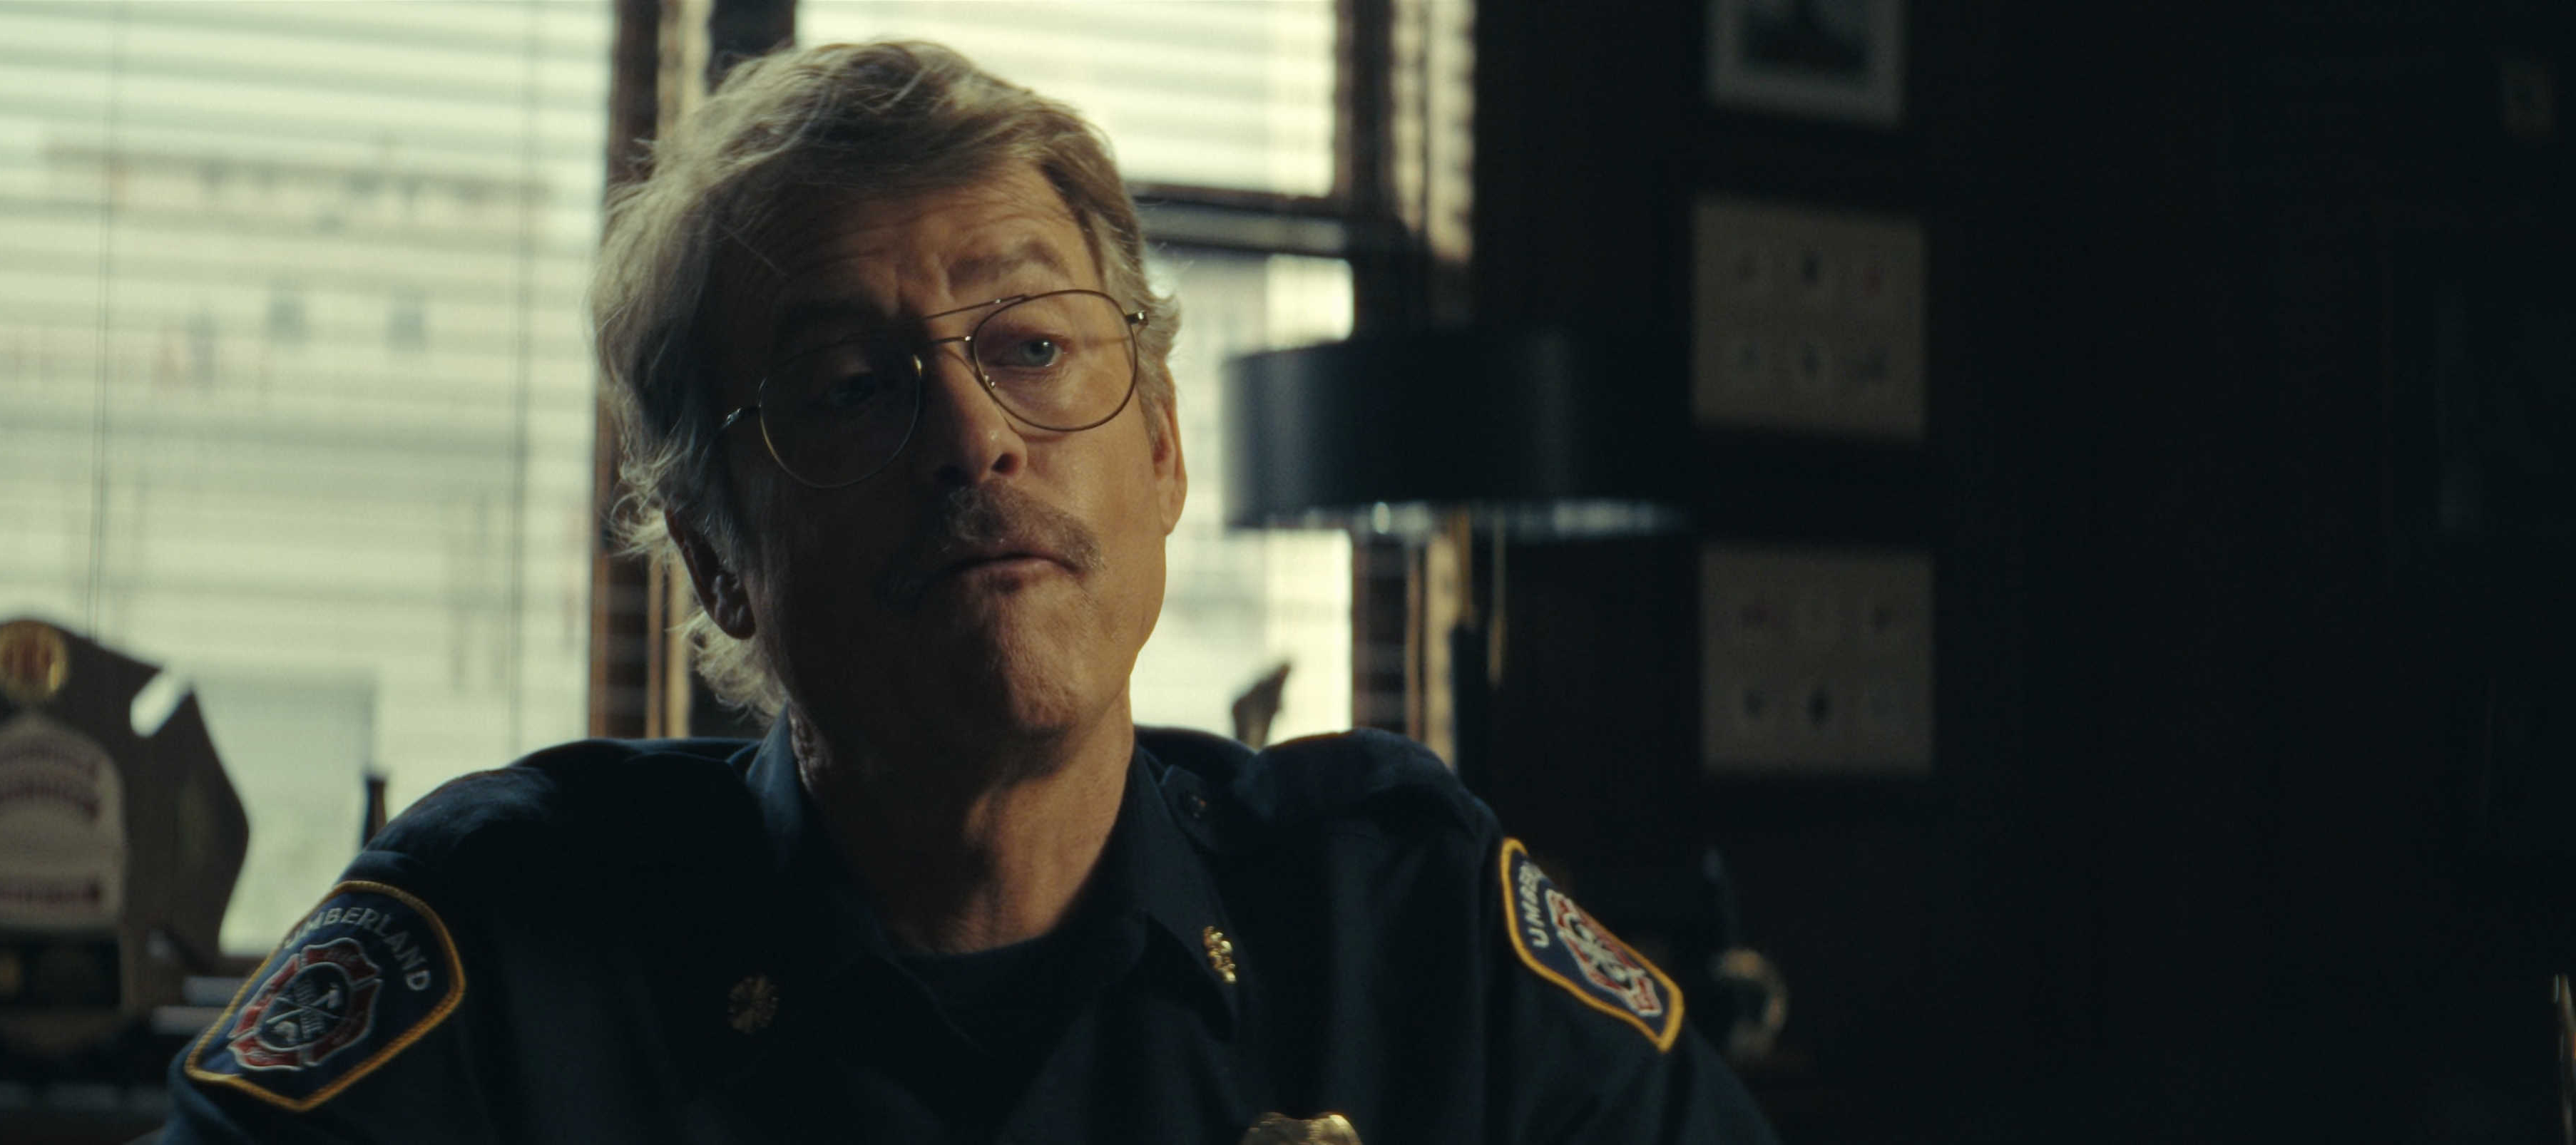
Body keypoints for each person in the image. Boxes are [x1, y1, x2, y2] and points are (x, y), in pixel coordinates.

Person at [161, 40, 1781, 1145]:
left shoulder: (1413, 927)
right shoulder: (495, 952)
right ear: (716, 554)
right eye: (853, 385)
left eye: (1034, 345)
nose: (972, 438)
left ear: (1161, 447)